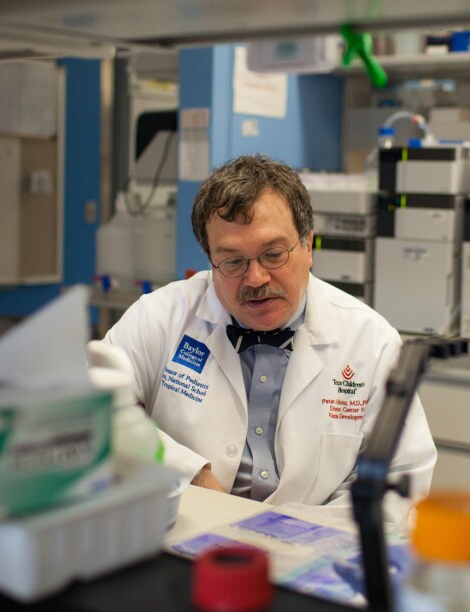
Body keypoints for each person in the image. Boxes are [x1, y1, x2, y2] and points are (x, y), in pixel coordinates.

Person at [100, 153, 436, 526]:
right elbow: (95, 412)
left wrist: (296, 539)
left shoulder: (370, 342)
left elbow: (400, 480)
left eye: (273, 254)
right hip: (182, 534)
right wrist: (189, 473)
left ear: (308, 246)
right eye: (232, 261)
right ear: (210, 261)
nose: (256, 278)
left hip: (316, 558)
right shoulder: (160, 317)